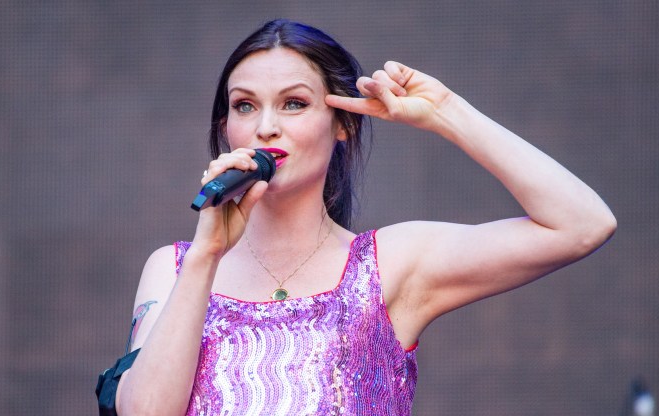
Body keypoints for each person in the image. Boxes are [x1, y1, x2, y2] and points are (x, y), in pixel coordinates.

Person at [114, 19, 616, 415]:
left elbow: (582, 224)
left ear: (343, 126)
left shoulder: (388, 265)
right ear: (227, 129)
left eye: (293, 104)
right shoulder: (175, 268)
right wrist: (206, 256)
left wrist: (446, 113)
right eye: (245, 106)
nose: (266, 127)